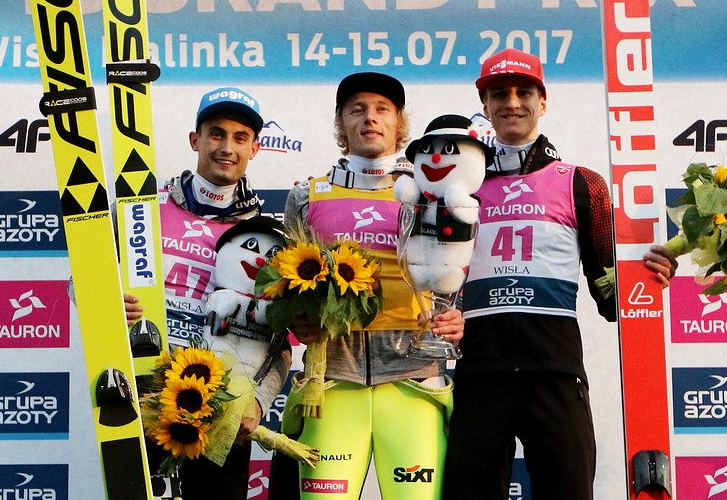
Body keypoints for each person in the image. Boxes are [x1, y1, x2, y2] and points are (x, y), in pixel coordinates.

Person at [441, 49, 677, 500]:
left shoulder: (581, 183)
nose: (512, 102)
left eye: (524, 92)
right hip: (480, 372)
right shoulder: (458, 186)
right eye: (499, 94)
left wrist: (652, 272)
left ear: (542, 102)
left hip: (555, 371)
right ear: (485, 105)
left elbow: (612, 298)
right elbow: (436, 275)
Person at [268, 73, 464, 500]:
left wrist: (457, 315)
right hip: (331, 382)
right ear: (341, 123)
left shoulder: (432, 194)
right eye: (357, 110)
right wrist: (299, 320)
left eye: (381, 109)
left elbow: (460, 273)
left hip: (414, 379)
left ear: (399, 122)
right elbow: (286, 287)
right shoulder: (306, 195)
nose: (369, 118)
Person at [125, 86, 292, 500]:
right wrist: (107, 304)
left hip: (223, 404)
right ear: (195, 140)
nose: (227, 148)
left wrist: (258, 402)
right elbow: (83, 282)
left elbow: (280, 342)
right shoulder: (142, 210)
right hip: (145, 390)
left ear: (254, 149)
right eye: (216, 134)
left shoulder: (267, 238)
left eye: (240, 138)